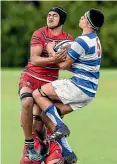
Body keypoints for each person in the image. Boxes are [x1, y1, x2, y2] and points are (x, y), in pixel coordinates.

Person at [32, 8, 105, 143]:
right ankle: (67, 153)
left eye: (83, 17)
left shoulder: (81, 41)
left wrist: (50, 49)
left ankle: (60, 127)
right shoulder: (95, 40)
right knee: (47, 115)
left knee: (37, 94)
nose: (81, 19)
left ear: (88, 23)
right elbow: (77, 66)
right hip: (90, 92)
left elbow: (62, 65)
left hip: (79, 87)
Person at [19, 6, 75, 163]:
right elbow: (35, 59)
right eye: (49, 15)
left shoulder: (69, 40)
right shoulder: (40, 34)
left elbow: (69, 64)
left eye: (54, 16)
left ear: (61, 20)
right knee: (27, 101)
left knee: (40, 123)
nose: (50, 17)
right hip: (31, 77)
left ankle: (55, 148)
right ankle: (29, 144)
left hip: (49, 83)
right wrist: (54, 59)